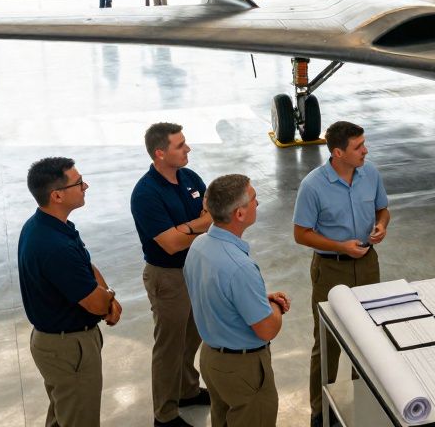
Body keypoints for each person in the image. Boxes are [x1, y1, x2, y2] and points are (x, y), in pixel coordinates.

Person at [293, 121, 390, 427]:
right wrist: (339, 246)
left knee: (369, 337)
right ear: (338, 153)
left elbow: (382, 209)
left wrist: (382, 225)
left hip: (367, 263)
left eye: (364, 143)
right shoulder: (312, 186)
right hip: (331, 268)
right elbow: (301, 233)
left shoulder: (370, 173)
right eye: (358, 147)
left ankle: (363, 404)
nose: (365, 150)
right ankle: (321, 411)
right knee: (327, 342)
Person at [18, 156, 121, 427]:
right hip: (69, 347)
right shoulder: (53, 246)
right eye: (78, 183)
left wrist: (107, 294)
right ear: (57, 195)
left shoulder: (47, 226)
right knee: (79, 419)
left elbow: (85, 263)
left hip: (57, 343)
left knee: (64, 414)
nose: (85, 186)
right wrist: (108, 298)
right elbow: (97, 305)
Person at [185, 174, 288, 427]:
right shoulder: (239, 267)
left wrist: (257, 299)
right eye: (253, 198)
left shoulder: (199, 246)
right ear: (239, 214)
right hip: (243, 368)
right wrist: (274, 306)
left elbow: (215, 294)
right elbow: (267, 329)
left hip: (212, 359)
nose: (258, 202)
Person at [131, 122, 213, 427]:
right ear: (160, 153)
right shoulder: (145, 194)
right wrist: (199, 223)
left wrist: (193, 226)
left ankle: (187, 390)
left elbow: (212, 218)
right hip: (167, 277)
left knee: (192, 335)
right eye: (180, 145)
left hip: (195, 269)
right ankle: (164, 414)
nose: (188, 148)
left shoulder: (190, 178)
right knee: (169, 346)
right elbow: (170, 244)